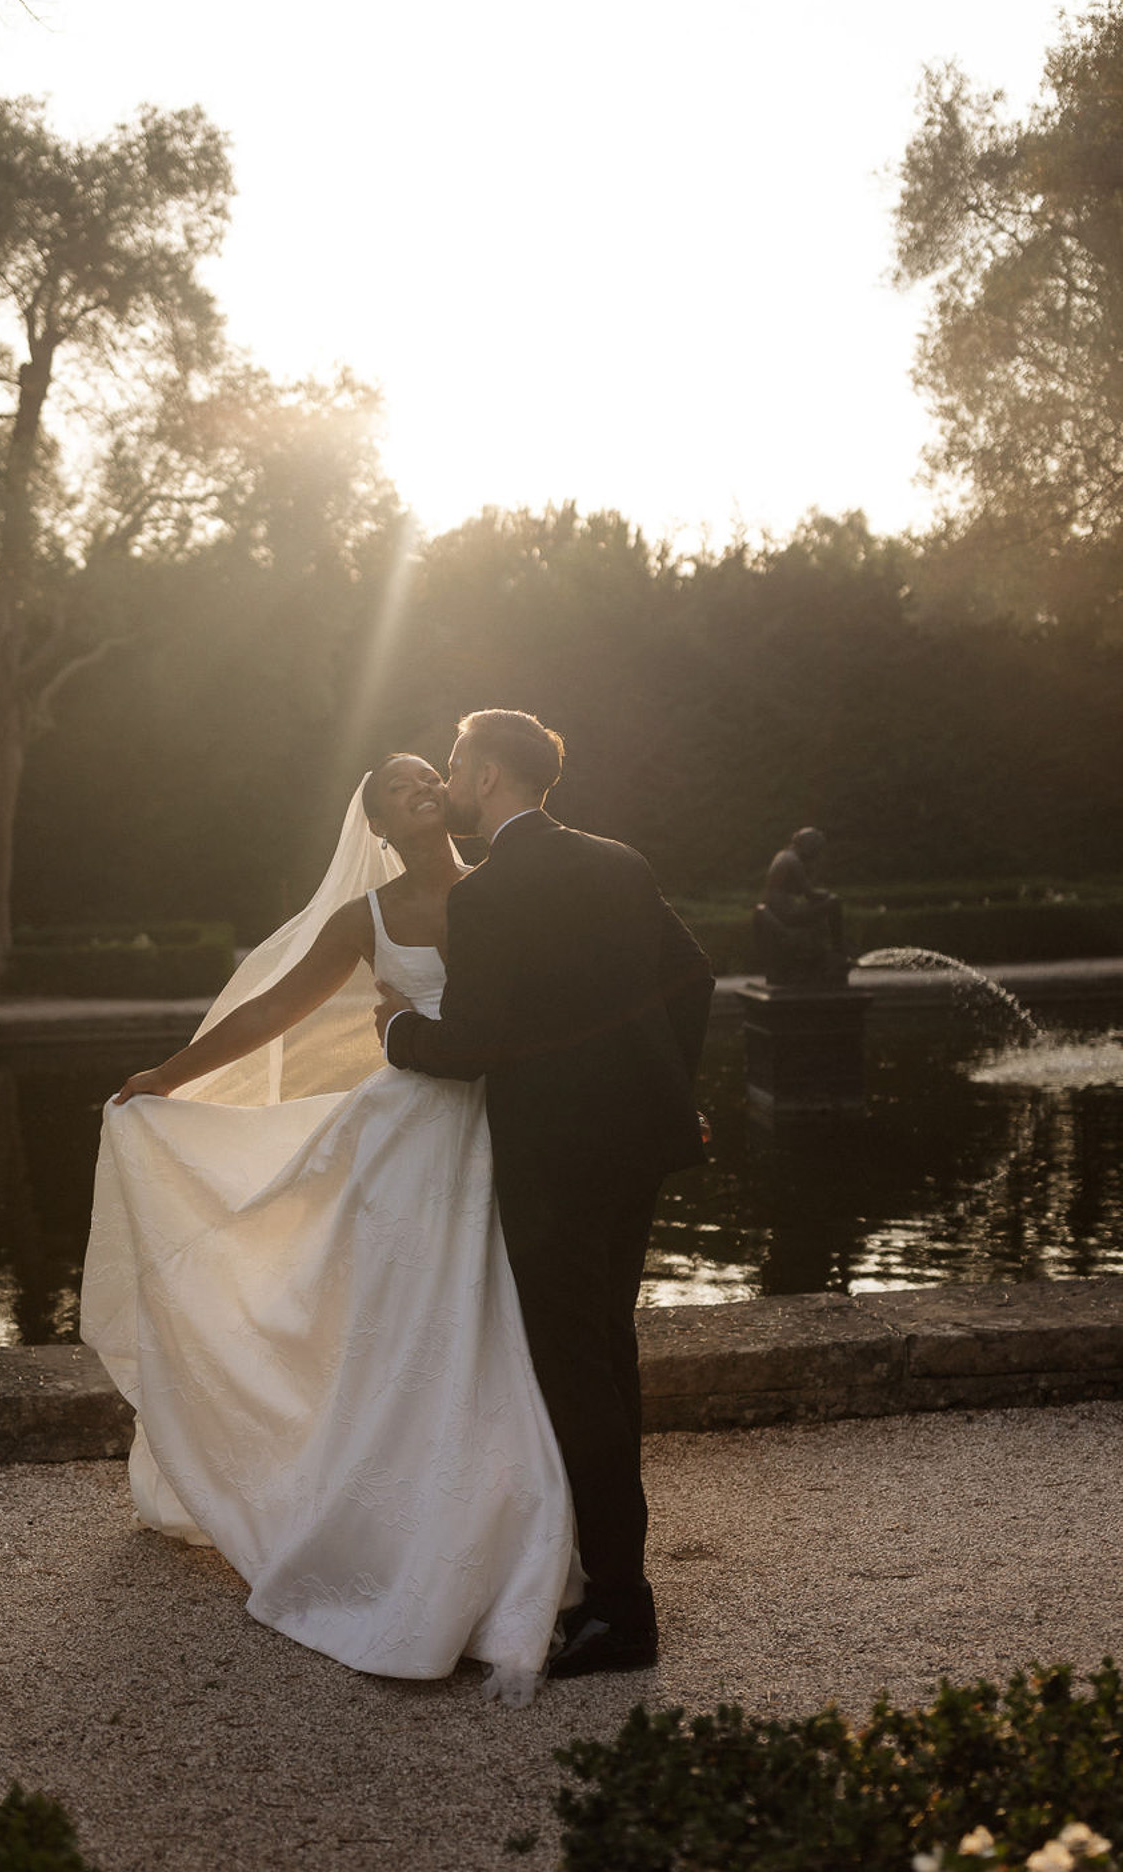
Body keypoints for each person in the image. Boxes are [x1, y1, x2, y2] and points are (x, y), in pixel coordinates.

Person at [80, 756, 579, 1704]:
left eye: (430, 771)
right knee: (415, 1338)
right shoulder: (366, 918)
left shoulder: (509, 883)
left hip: (514, 1131)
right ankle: (397, 1541)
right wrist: (167, 1077)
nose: (423, 782)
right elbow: (272, 1011)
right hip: (411, 1142)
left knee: (507, 1329)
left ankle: (515, 1532)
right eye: (398, 784)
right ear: (377, 826)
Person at [375, 710, 713, 1680]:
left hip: (555, 1166)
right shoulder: (621, 861)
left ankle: (620, 1608)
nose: (447, 780)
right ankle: (615, 1579)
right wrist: (661, 1087)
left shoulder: (486, 896)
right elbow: (696, 978)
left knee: (577, 1369)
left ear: (485, 774)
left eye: (453, 764)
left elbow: (471, 1045)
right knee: (610, 1350)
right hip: (639, 1147)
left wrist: (399, 1030)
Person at [756, 826, 848, 984]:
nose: (816, 855)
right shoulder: (794, 861)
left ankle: (826, 953)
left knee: (818, 910)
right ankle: (838, 949)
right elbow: (810, 893)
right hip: (786, 913)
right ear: (808, 846)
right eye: (816, 850)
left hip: (778, 909)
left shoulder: (783, 855)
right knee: (834, 902)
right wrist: (826, 894)